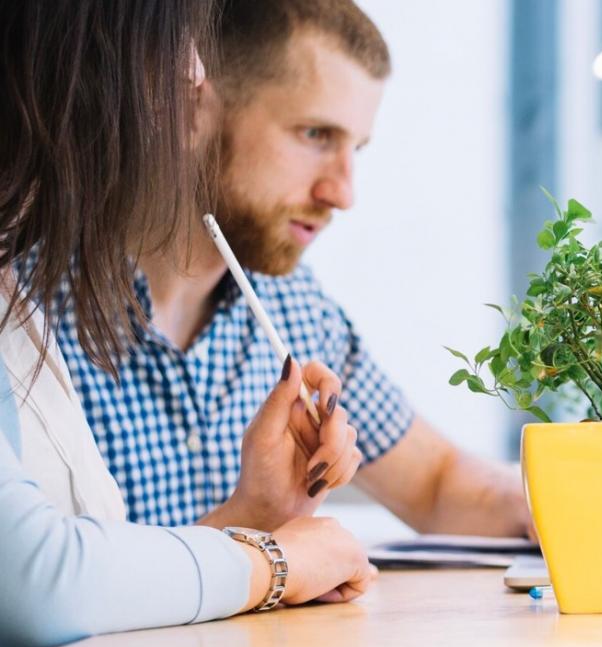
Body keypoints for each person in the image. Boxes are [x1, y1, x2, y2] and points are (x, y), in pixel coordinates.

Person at [56, 0, 533, 538]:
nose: (342, 193)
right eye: (314, 135)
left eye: (356, 148)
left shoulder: (295, 306)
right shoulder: (29, 314)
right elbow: (51, 580)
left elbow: (437, 483)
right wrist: (254, 526)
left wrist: (555, 503)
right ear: (192, 110)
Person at [0, 0, 377, 647]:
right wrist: (271, 560)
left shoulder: (299, 304)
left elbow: (81, 597)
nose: (196, 78)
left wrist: (250, 517)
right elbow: (36, 587)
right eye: (170, 40)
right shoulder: (37, 290)